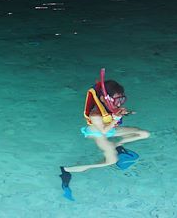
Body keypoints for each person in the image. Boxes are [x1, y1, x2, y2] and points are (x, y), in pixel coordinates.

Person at [60, 69, 150, 199]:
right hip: (99, 134)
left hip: (110, 128)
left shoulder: (110, 105)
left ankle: (117, 145)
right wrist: (116, 118)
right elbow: (103, 131)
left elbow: (111, 119)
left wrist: (123, 113)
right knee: (110, 161)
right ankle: (66, 171)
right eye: (116, 100)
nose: (118, 103)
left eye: (121, 99)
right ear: (103, 98)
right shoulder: (95, 114)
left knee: (143, 133)